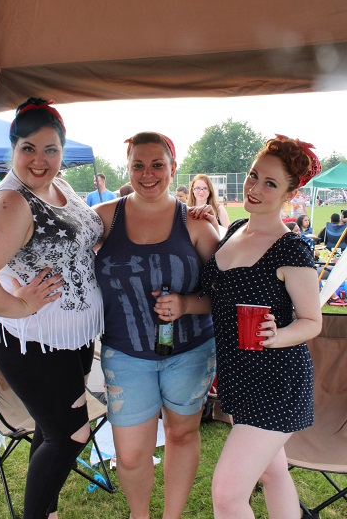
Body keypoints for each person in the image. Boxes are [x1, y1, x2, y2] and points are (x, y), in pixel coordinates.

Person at [0, 97, 105, 519]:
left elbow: (85, 224)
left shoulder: (58, 185)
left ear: (62, 150)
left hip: (67, 334)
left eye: (50, 150)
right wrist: (20, 305)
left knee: (53, 429)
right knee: (70, 436)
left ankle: (48, 512)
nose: (40, 161)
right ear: (13, 149)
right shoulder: (10, 202)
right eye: (29, 149)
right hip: (31, 337)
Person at [159, 134, 323, 518]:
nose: (255, 188)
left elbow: (312, 321)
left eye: (270, 183)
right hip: (240, 378)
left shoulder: (291, 248)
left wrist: (278, 334)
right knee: (272, 471)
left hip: (277, 382)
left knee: (227, 494)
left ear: (289, 194)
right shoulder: (233, 231)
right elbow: (218, 301)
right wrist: (185, 304)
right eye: (253, 176)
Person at [93, 131, 219, 519]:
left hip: (190, 352)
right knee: (131, 454)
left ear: (173, 168)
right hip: (125, 352)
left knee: (182, 435)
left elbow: (226, 291)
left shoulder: (195, 223)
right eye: (138, 165)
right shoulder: (104, 218)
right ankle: (140, 515)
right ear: (127, 169)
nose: (148, 174)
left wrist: (186, 304)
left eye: (157, 165)